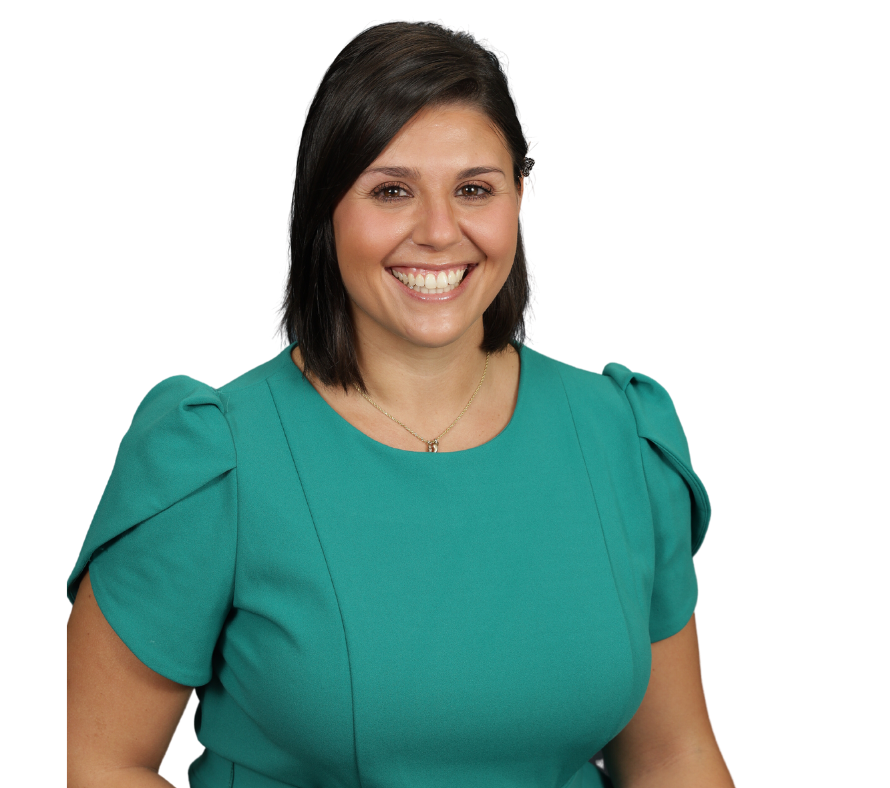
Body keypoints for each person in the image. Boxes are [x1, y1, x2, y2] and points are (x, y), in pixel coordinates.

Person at [66, 19, 731, 788]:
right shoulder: (214, 458)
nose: (440, 233)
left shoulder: (622, 435)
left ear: (523, 196)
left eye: (474, 189)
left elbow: (673, 757)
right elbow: (95, 760)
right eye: (391, 190)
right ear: (325, 209)